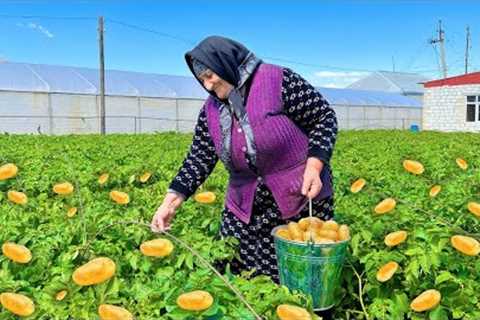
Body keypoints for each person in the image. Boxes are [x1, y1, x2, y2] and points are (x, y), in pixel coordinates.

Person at [151, 35, 338, 319]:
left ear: (225, 63)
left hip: (299, 196)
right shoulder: (211, 109)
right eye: (201, 79)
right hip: (245, 205)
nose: (208, 85)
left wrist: (314, 166)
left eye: (210, 75)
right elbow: (200, 156)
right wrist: (170, 203)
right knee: (239, 278)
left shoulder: (279, 81)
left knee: (299, 284)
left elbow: (323, 118)